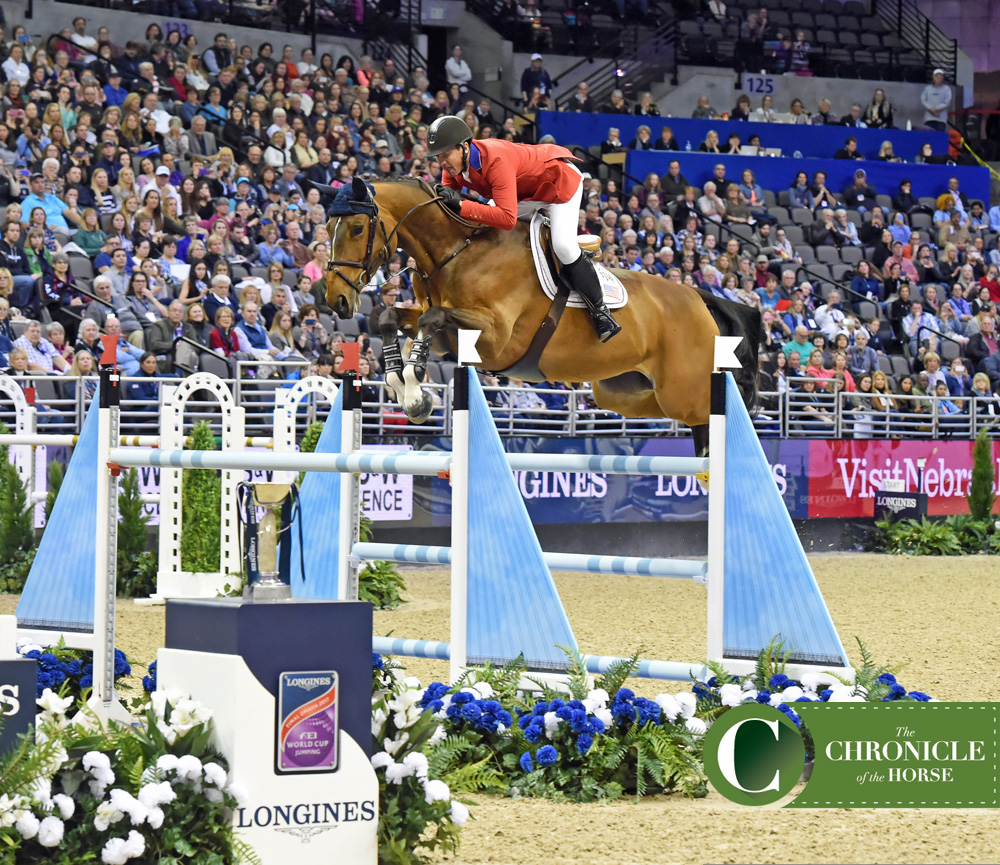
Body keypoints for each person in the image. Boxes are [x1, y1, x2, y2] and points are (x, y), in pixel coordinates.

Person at [426, 115, 619, 341]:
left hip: (558, 185)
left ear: (464, 147)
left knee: (563, 245)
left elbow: (507, 218)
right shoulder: (453, 166)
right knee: (485, 229)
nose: (442, 163)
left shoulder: (495, 160)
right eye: (438, 157)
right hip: (522, 193)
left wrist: (462, 204)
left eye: (446, 155)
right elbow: (447, 203)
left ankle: (601, 312)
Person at [921, 68, 952, 133]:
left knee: (939, 137)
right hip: (929, 118)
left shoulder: (946, 89)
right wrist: (931, 109)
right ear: (933, 77)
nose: (938, 78)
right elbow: (923, 100)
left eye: (940, 77)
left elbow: (947, 101)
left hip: (941, 119)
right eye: (937, 76)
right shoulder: (928, 88)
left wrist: (937, 109)